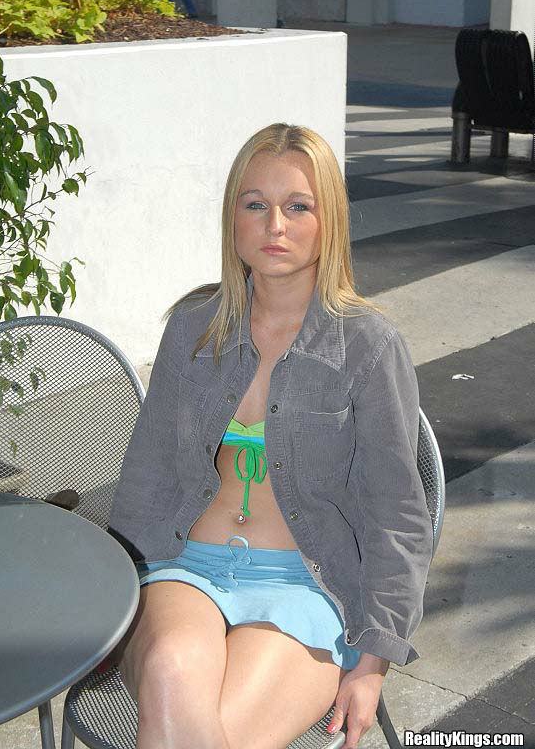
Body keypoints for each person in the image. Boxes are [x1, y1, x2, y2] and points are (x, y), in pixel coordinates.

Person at [107, 122, 434, 749]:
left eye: (298, 206)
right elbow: (147, 475)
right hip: (185, 569)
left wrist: (374, 658)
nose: (275, 225)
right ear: (232, 218)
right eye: (255, 204)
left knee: (199, 735)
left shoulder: (368, 346)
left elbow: (397, 514)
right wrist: (113, 600)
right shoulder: (193, 329)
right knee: (172, 672)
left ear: (329, 219)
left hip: (306, 586)